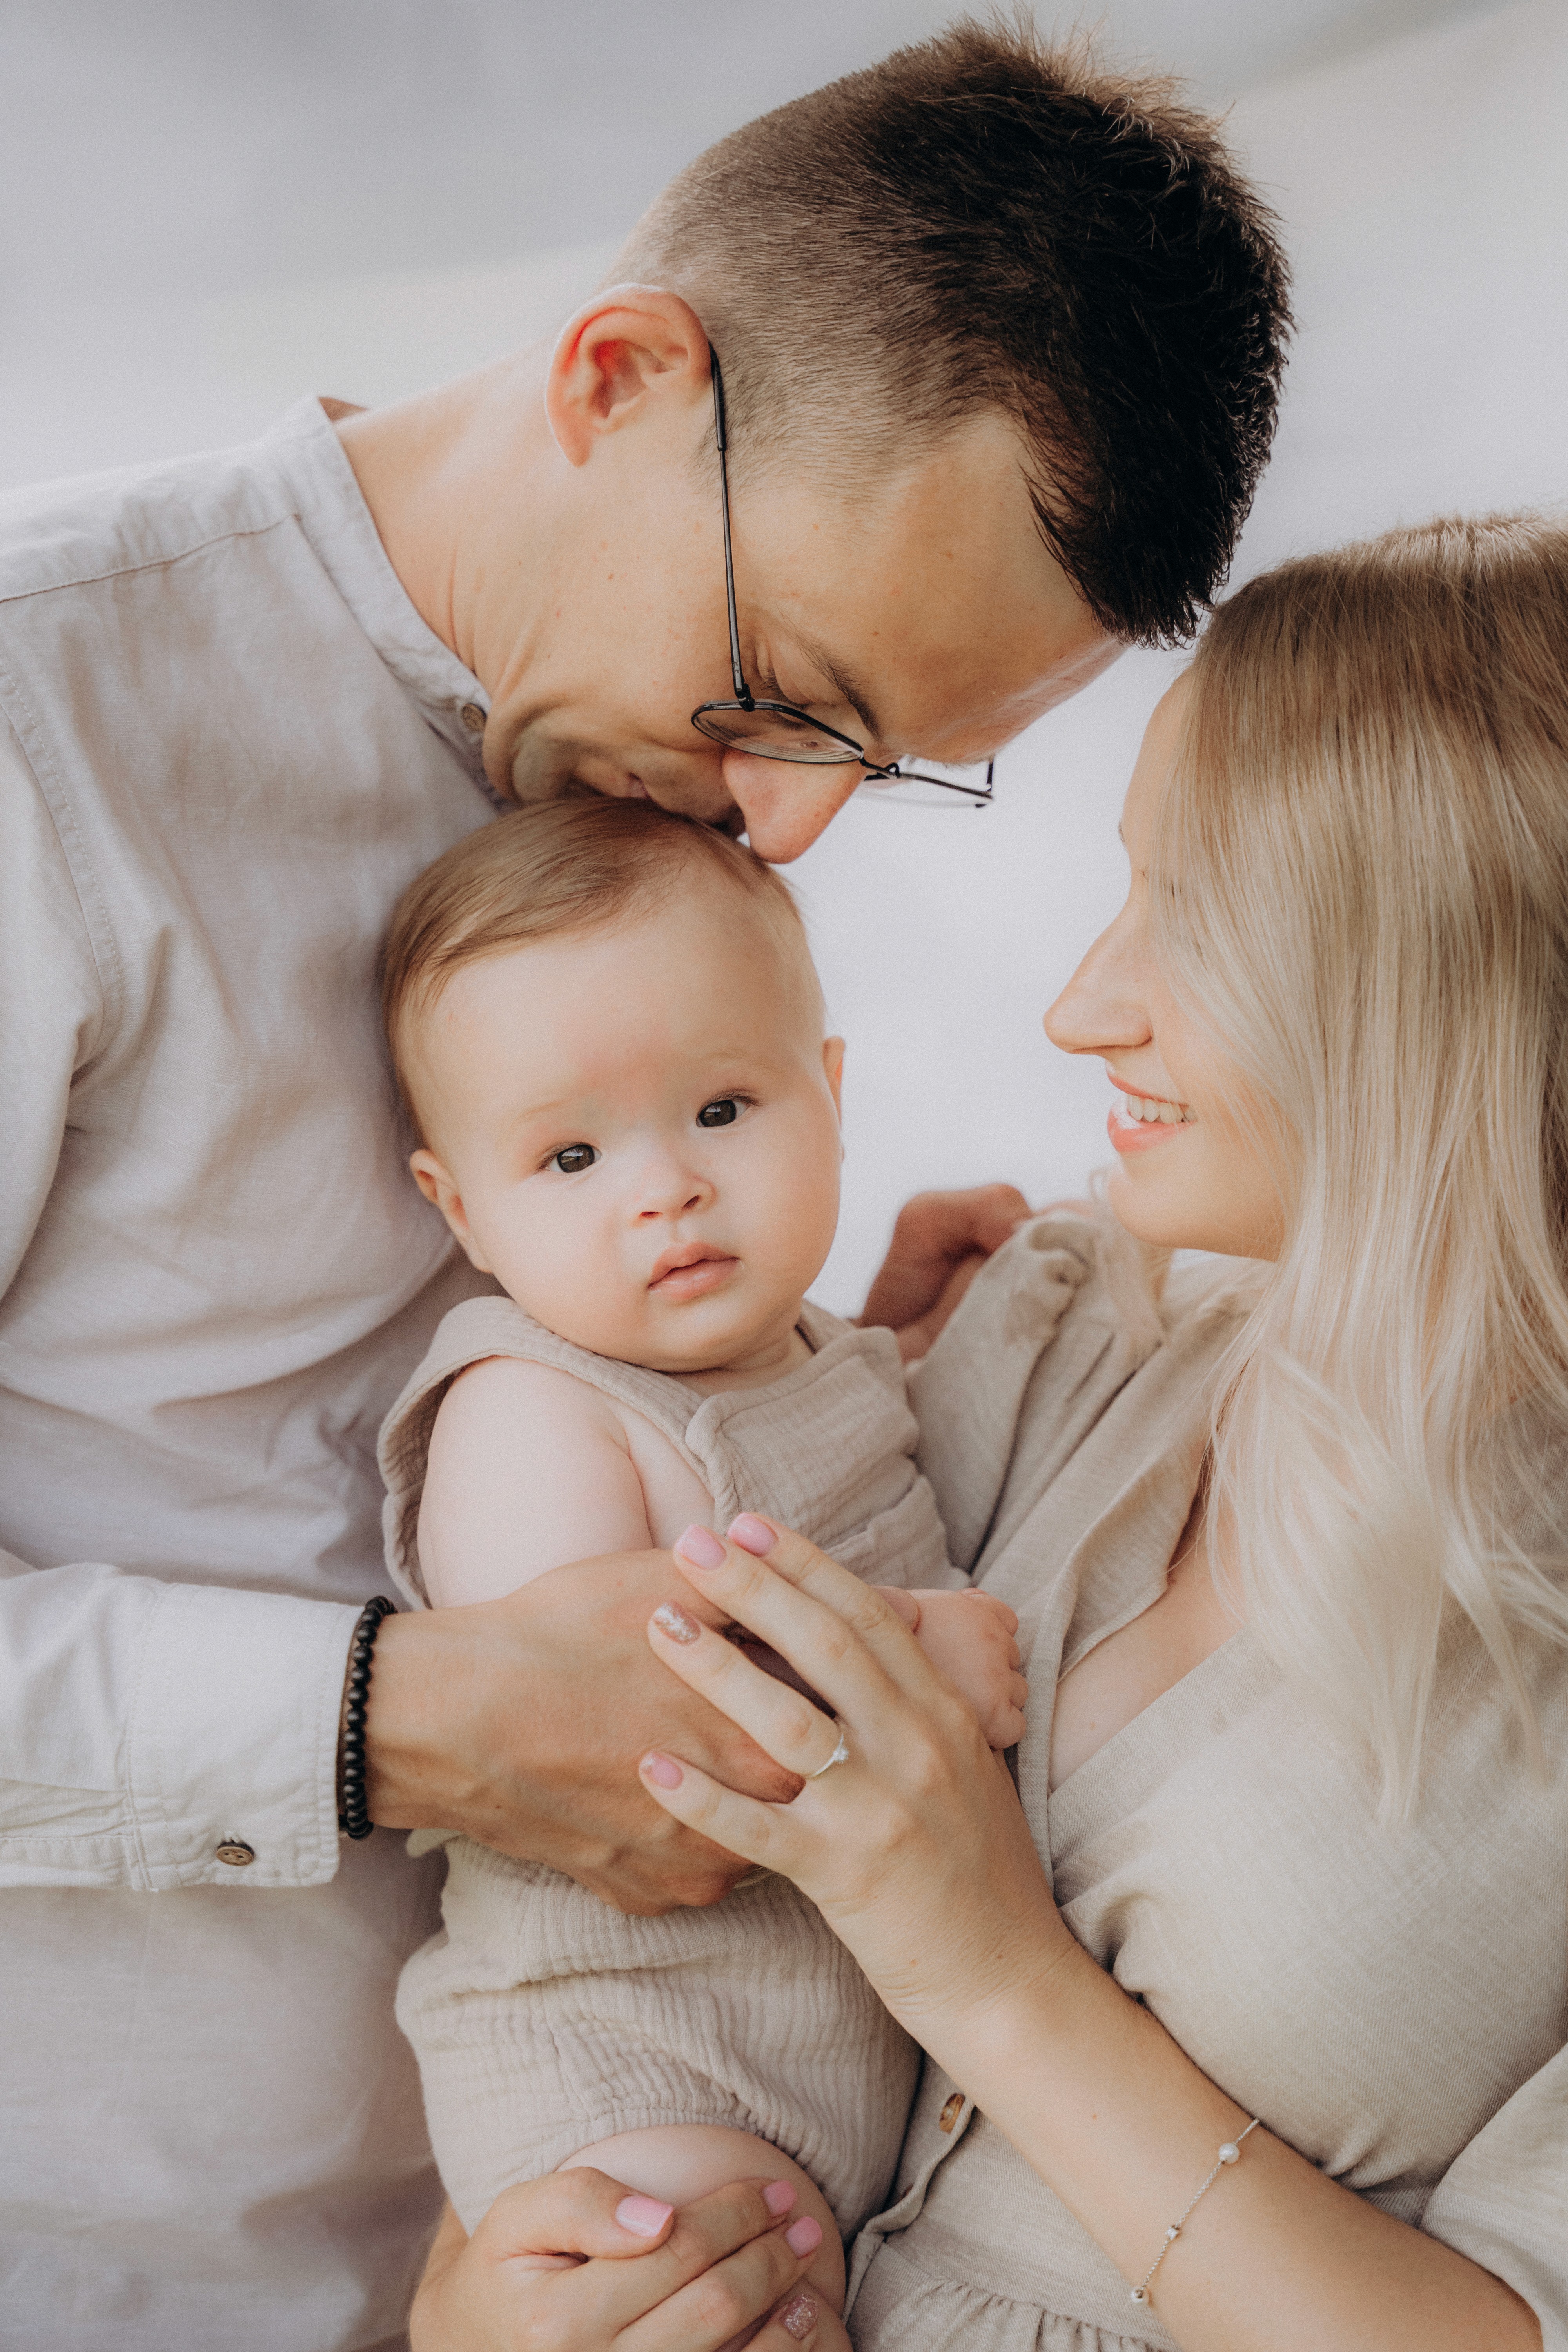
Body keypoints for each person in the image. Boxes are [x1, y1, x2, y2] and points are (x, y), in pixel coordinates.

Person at [0, 23, 1290, 2348]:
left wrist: (862, 1375)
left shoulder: (679, 789)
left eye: (892, 767)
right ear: (620, 378)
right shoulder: (37, 731)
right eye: (786, 694)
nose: (787, 823)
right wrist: (395, 1720)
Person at [612, 515, 1568, 2352]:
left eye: (1189, 924)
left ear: (1451, 985)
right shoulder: (1062, 1331)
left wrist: (987, 1967)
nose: (1079, 1008)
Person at [375, 797, 1025, 2327]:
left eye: (723, 1112)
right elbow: (591, 1706)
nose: (661, 1187)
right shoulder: (530, 1408)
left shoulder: (804, 1348)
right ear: (462, 1211)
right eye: (573, 1154)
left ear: (832, 1094)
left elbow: (807, 1463)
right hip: (634, 2056)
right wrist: (896, 1663)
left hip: (828, 2046)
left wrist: (906, 1323)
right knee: (711, 2294)